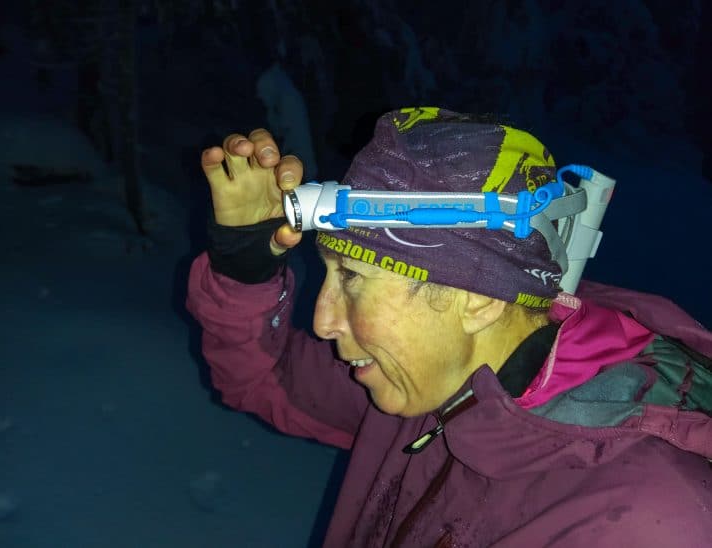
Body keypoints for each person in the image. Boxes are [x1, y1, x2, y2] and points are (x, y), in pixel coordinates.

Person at [187, 107, 712, 547]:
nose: (323, 321)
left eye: (352, 277)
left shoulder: (651, 521)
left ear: (480, 300)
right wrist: (243, 268)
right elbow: (262, 378)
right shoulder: (435, 382)